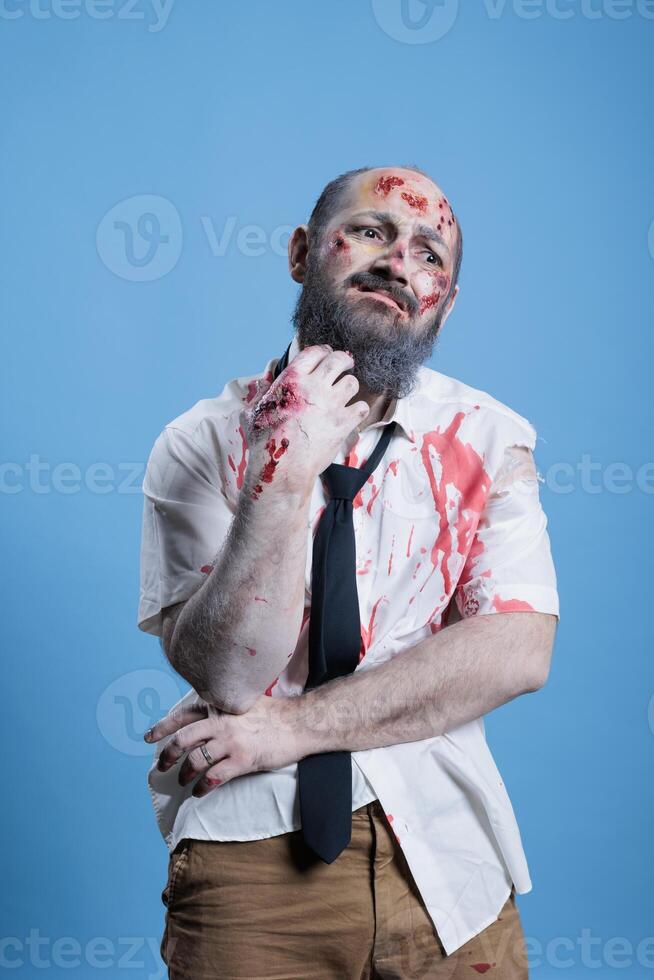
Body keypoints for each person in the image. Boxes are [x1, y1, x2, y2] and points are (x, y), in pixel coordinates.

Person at [137, 165, 559, 978]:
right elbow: (229, 672)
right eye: (371, 232)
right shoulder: (197, 445)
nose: (401, 262)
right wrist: (283, 474)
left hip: (448, 864)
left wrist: (285, 728)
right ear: (301, 252)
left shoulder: (489, 438)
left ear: (447, 302)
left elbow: (517, 651)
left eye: (429, 254)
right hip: (251, 860)